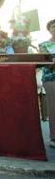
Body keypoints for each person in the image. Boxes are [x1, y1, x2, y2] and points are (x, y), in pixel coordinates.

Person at [38, 19, 55, 149]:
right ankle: (54, 137)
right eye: (52, 26)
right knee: (53, 108)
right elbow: (47, 61)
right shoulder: (44, 45)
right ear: (49, 29)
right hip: (50, 78)